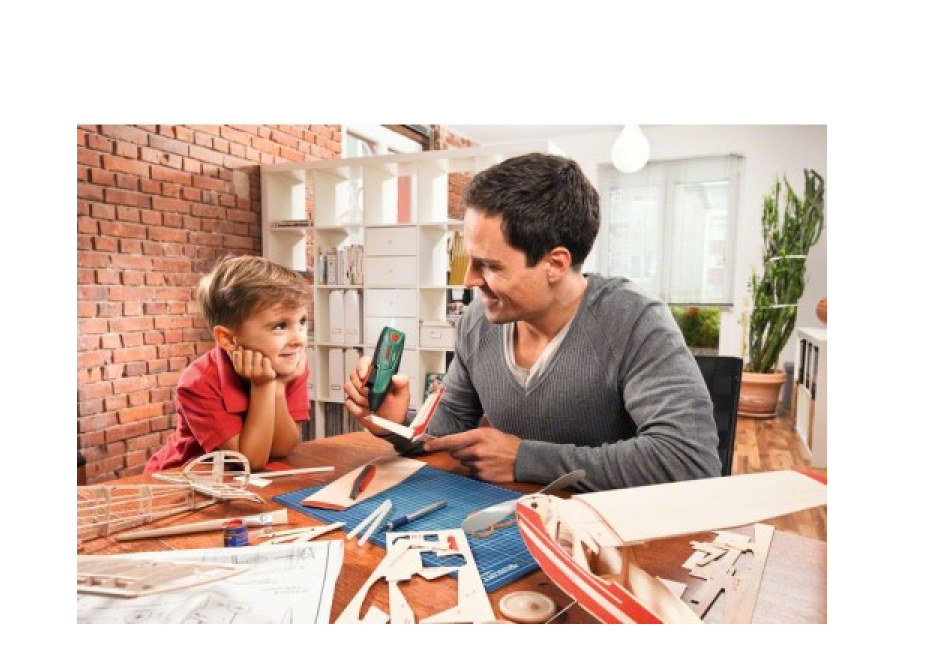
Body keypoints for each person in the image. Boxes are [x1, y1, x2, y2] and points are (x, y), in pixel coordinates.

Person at [344, 152, 720, 492]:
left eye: (489, 266)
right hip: (515, 519)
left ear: (554, 264)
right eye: (471, 261)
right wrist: (395, 424)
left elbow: (688, 461)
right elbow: (449, 427)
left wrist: (525, 459)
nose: (470, 280)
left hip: (611, 534)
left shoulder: (635, 321)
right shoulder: (478, 321)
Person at [146, 254, 311, 474]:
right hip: (182, 479)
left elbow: (281, 449)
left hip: (238, 482)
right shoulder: (198, 381)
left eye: (302, 322)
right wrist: (263, 386)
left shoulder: (287, 363)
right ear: (228, 339)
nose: (299, 339)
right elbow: (249, 462)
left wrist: (278, 388)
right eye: (280, 326)